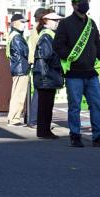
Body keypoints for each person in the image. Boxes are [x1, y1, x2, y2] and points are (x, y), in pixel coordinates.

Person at [53, 0, 100, 148]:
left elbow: (97, 46)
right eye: (82, 1)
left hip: (91, 73)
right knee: (74, 106)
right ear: (74, 5)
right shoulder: (66, 23)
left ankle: (98, 136)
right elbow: (58, 46)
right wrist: (72, 57)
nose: (85, 4)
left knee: (97, 104)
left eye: (87, 1)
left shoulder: (92, 24)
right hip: (73, 73)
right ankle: (75, 135)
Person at [33, 10, 64, 139]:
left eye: (58, 20)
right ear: (46, 21)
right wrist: (60, 64)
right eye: (55, 21)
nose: (58, 23)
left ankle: (44, 131)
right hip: (47, 75)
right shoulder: (47, 35)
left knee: (45, 105)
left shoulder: (47, 34)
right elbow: (47, 55)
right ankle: (44, 131)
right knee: (46, 106)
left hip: (44, 74)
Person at [6, 14, 30, 126]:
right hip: (21, 68)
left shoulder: (12, 35)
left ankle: (12, 117)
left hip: (17, 67)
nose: (24, 25)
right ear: (14, 22)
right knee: (19, 95)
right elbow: (25, 52)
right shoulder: (17, 37)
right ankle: (14, 119)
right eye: (22, 22)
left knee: (16, 94)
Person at [26, 8, 47, 129]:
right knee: (39, 94)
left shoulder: (35, 29)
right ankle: (34, 120)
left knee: (38, 93)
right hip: (39, 64)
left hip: (34, 63)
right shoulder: (40, 30)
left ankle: (33, 119)